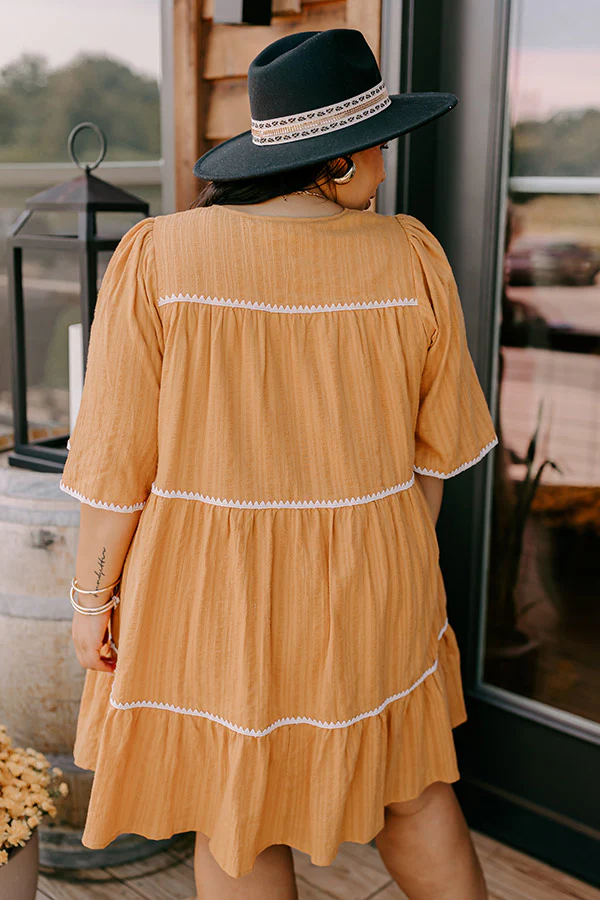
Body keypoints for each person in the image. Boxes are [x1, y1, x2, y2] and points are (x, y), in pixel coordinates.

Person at [61, 28, 498, 900]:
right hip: (379, 576)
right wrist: (389, 554)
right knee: (414, 790)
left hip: (210, 589)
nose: (385, 163)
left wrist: (89, 601)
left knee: (236, 806)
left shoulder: (161, 259)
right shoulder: (411, 256)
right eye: (379, 143)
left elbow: (116, 466)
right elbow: (437, 454)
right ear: (338, 162)